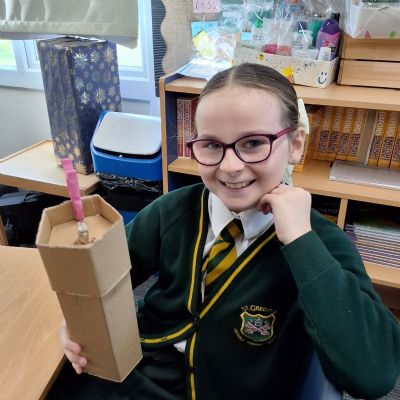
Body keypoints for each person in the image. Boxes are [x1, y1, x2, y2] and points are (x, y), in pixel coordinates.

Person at [50, 63, 400, 400]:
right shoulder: (172, 211)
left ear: (295, 144)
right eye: (212, 145)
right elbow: (103, 279)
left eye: (253, 143)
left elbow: (374, 375)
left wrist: (300, 242)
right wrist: (81, 325)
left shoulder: (320, 243)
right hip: (140, 368)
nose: (231, 166)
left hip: (232, 388)